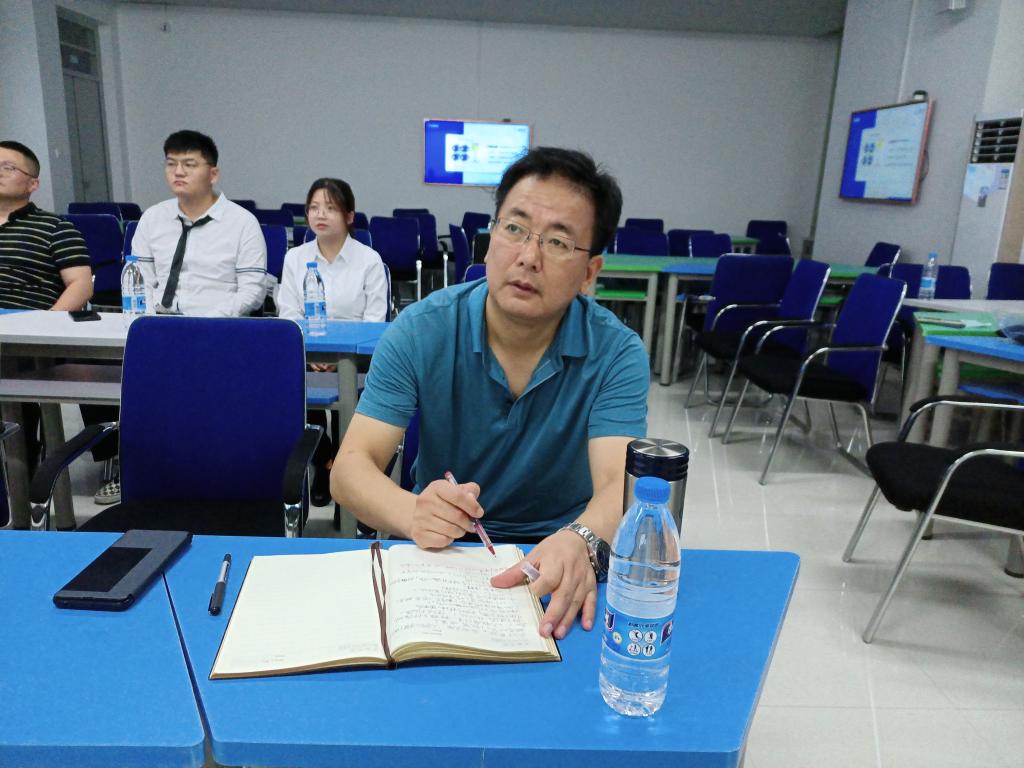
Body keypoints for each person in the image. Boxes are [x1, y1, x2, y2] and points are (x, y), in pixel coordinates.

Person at [332, 147, 649, 641]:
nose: (528, 257)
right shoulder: (421, 330)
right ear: (489, 240)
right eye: (514, 228)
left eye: (559, 242)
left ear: (590, 272)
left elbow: (618, 484)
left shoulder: (616, 352)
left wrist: (581, 538)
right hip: (444, 551)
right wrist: (412, 513)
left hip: (560, 553)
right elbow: (350, 468)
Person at [87, 129, 267, 505]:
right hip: (159, 328)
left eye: (189, 164)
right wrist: (155, 321)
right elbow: (139, 279)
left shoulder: (242, 223)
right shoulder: (153, 219)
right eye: (171, 164)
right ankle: (132, 469)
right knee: (115, 380)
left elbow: (251, 291)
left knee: (206, 402)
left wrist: (204, 323)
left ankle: (211, 474)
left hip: (219, 331)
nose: (178, 172)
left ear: (213, 173)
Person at [277, 177, 388, 507]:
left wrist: (338, 355)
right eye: (313, 207)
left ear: (349, 216)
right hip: (307, 355)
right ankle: (325, 461)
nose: (320, 214)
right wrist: (312, 354)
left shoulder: (368, 260)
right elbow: (288, 313)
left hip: (357, 359)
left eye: (330, 207)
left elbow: (375, 320)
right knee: (293, 391)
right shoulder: (295, 258)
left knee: (348, 395)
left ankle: (344, 466)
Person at [0, 140, 93, 528]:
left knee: (16, 419)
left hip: (23, 335)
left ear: (32, 183)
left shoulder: (54, 227)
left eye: (7, 167)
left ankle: (19, 509)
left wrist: (46, 325)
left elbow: (80, 284)